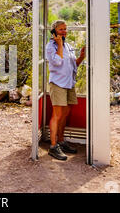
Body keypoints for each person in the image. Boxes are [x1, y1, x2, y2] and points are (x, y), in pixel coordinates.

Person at [45, 20, 85, 161]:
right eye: (61, 29)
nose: (64, 31)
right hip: (58, 84)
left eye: (65, 29)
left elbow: (74, 65)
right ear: (54, 31)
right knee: (57, 115)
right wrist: (60, 44)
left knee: (65, 114)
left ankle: (61, 141)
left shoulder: (68, 46)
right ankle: (53, 146)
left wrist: (81, 56)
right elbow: (57, 62)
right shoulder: (51, 46)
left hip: (69, 84)